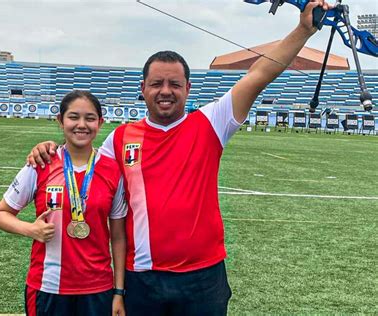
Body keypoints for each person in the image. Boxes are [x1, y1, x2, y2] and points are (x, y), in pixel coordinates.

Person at [27, 1, 331, 314]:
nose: (166, 91)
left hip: (203, 276)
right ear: (143, 89)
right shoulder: (120, 138)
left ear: (188, 88)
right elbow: (80, 161)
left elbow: (259, 75)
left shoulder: (212, 121)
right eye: (157, 83)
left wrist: (303, 29)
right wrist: (48, 148)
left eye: (174, 84)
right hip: (141, 276)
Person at [0, 90, 127, 316]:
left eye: (90, 118)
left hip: (98, 288)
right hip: (47, 286)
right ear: (60, 120)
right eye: (73, 117)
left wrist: (119, 291)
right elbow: (0, 214)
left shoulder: (113, 170)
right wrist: (30, 229)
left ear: (101, 122)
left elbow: (119, 236)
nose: (81, 125)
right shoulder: (40, 164)